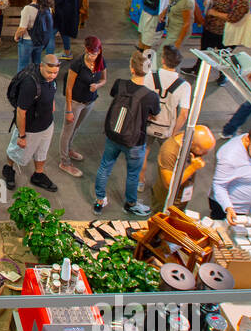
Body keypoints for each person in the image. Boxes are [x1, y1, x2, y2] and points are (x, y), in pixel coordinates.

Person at [92, 50, 161, 216]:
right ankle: (130, 204)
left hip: (113, 134)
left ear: (131, 68)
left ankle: (99, 201)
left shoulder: (119, 84)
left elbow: (114, 96)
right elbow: (155, 114)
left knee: (105, 167)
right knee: (133, 174)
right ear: (148, 70)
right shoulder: (150, 96)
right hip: (135, 141)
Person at [4, 52, 62, 192]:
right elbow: (21, 111)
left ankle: (38, 174)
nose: (52, 76)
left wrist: (52, 103)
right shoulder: (30, 84)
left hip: (47, 124)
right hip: (31, 127)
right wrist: (22, 136)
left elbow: (51, 90)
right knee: (16, 151)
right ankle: (8, 168)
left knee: (42, 151)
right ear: (41, 66)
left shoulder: (50, 79)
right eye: (49, 72)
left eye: (55, 73)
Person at [139, 45, 192, 191]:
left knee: (144, 152)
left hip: (148, 124)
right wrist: (174, 133)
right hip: (168, 128)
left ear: (163, 60)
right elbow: (184, 114)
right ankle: (163, 185)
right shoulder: (184, 86)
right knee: (168, 159)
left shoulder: (150, 76)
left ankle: (140, 182)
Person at [188, 0, 251, 86]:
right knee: (204, 49)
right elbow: (217, 0)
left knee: (224, 55)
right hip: (211, 28)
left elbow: (234, 17)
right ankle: (197, 69)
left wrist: (214, 13)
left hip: (224, 32)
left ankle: (225, 76)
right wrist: (210, 2)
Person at [58, 36, 107, 178]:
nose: (93, 57)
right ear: (86, 49)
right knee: (67, 130)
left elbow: (104, 79)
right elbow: (68, 88)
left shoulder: (101, 61)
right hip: (75, 102)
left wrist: (97, 85)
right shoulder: (77, 64)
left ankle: (69, 149)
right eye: (91, 54)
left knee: (76, 127)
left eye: (96, 54)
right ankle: (64, 162)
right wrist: (68, 109)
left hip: (89, 102)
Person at [210, 126, 251, 223]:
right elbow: (219, 185)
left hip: (247, 209)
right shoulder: (229, 158)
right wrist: (228, 208)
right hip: (231, 209)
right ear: (247, 140)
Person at [155, 125, 216, 209]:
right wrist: (193, 168)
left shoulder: (188, 139)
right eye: (203, 151)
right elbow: (169, 184)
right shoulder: (170, 151)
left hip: (182, 196)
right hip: (168, 201)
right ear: (192, 143)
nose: (204, 155)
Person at [14, 0, 54, 72]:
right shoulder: (48, 7)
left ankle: (21, 84)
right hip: (40, 40)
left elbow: (22, 28)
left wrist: (16, 36)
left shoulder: (28, 9)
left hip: (27, 41)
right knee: (37, 64)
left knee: (23, 66)